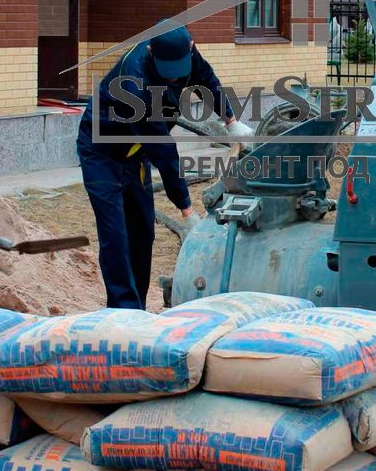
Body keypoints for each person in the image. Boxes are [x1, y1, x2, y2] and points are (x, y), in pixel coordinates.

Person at [76, 25, 250, 309]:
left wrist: (231, 121)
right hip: (102, 154)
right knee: (116, 237)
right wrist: (186, 209)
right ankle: (124, 312)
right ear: (150, 51)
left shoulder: (183, 49)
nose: (173, 77)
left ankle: (139, 308)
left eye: (178, 70)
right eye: (166, 70)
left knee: (143, 234)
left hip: (135, 154)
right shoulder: (133, 83)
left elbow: (206, 79)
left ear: (190, 47)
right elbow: (163, 149)